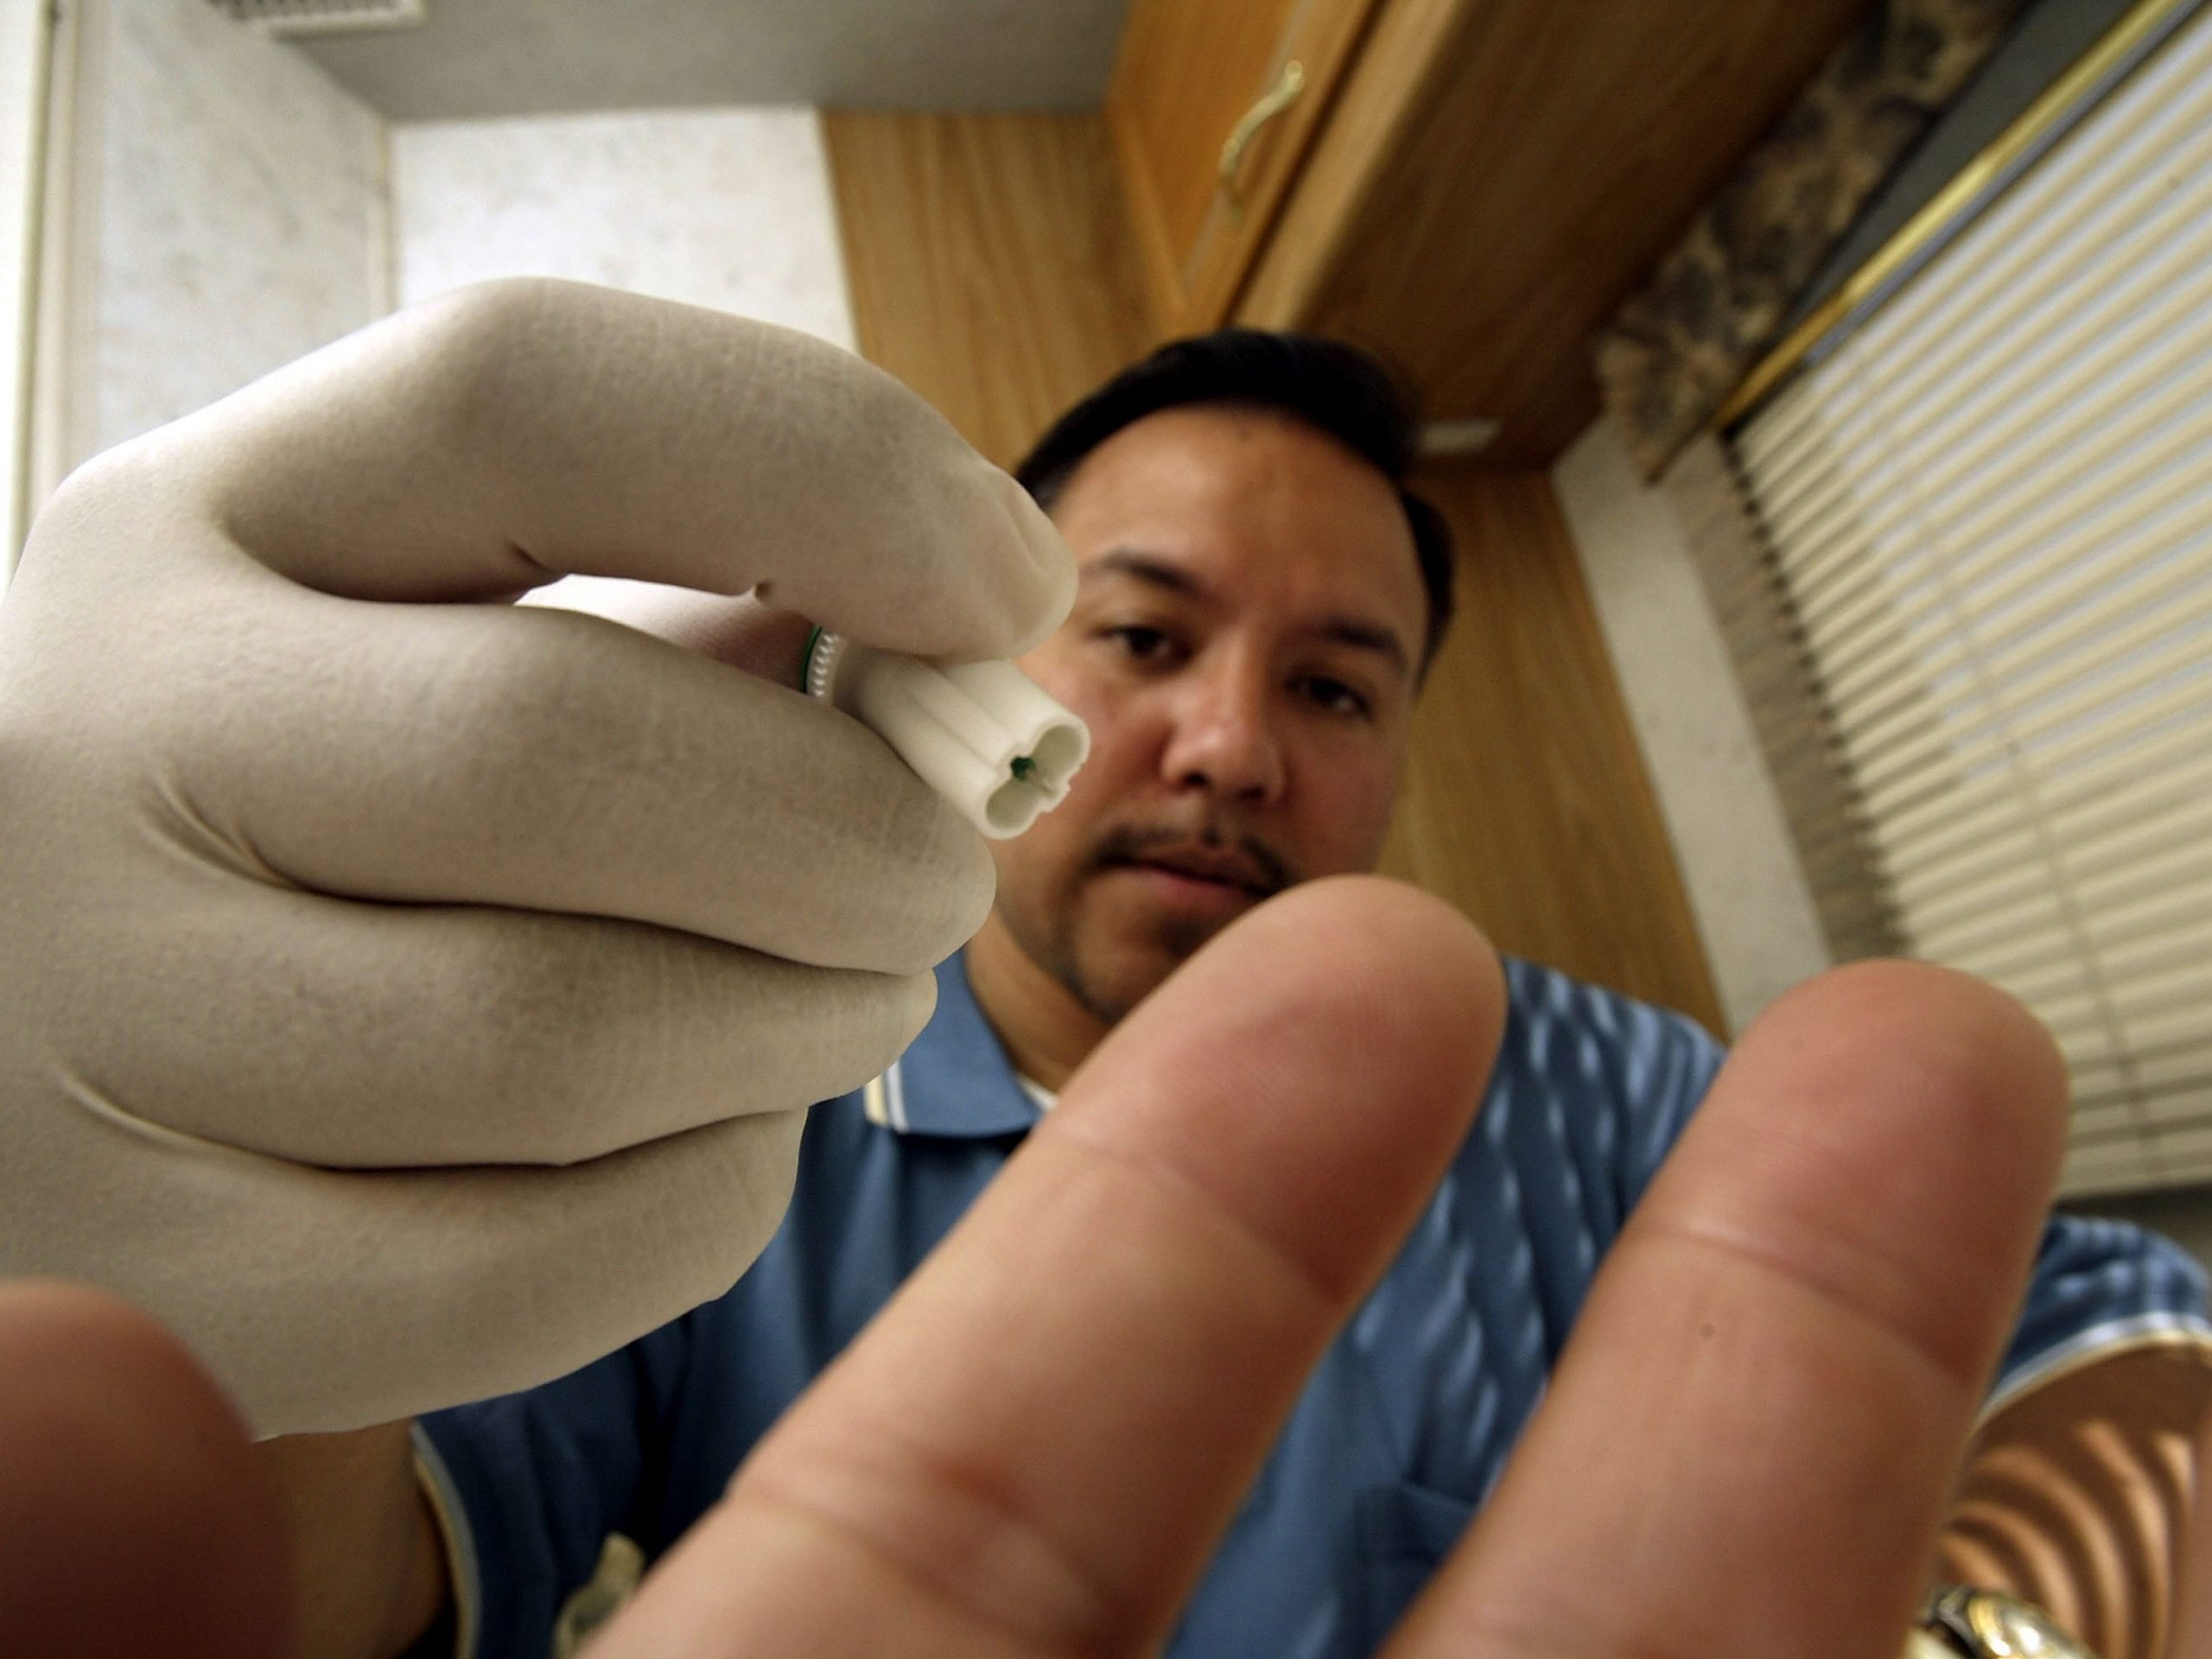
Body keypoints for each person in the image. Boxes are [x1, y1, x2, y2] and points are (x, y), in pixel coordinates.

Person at [0, 283, 2205, 1659]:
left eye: (1338, 691)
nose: (1230, 745)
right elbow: (378, 1590)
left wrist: (1985, 1634)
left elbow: (2122, 1329)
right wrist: (252, 1325)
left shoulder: (1589, 1087)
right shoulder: (685, 1128)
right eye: (1139, 641)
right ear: (970, 651)